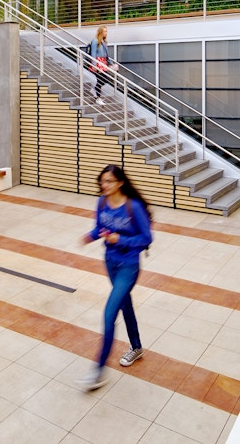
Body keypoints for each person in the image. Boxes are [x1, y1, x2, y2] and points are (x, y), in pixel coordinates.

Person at [77, 164, 153, 391]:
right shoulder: (102, 202)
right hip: (110, 262)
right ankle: (136, 347)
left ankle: (98, 372)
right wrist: (89, 237)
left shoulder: (133, 206)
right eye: (102, 181)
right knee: (125, 304)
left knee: (109, 314)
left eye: (109, 181)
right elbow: (99, 229)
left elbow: (146, 238)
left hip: (128, 266)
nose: (104, 185)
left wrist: (120, 240)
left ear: (120, 182)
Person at [86, 26, 114, 104]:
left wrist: (110, 63)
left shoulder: (104, 42)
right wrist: (94, 65)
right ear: (100, 32)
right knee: (101, 79)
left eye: (106, 31)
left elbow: (106, 55)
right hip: (97, 62)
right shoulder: (95, 41)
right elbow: (93, 53)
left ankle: (94, 90)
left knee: (106, 79)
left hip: (103, 62)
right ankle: (98, 98)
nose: (106, 33)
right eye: (104, 31)